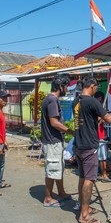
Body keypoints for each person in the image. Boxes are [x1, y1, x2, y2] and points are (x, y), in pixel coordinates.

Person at [72, 76, 111, 223]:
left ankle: (83, 206)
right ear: (91, 86)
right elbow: (109, 119)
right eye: (96, 87)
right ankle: (84, 216)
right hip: (89, 146)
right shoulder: (92, 101)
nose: (96, 89)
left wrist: (97, 120)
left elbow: (86, 119)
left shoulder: (76, 101)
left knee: (83, 177)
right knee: (89, 179)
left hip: (79, 144)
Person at [41, 75, 74, 208]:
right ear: (61, 86)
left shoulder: (51, 99)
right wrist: (71, 131)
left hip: (54, 140)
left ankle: (61, 192)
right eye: (66, 86)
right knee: (52, 168)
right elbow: (54, 122)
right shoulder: (52, 100)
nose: (67, 89)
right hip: (52, 141)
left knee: (58, 167)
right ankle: (48, 198)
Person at [94, 91, 109, 180]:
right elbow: (98, 119)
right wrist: (102, 118)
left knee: (99, 157)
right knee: (102, 157)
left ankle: (100, 173)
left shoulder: (94, 107)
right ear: (100, 99)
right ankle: (104, 174)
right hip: (99, 136)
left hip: (99, 135)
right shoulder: (97, 108)